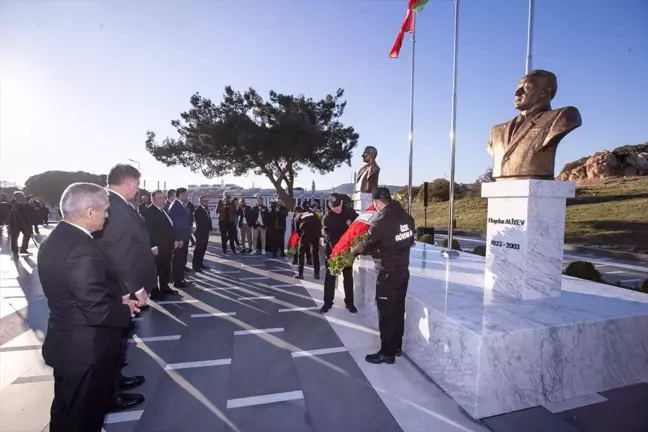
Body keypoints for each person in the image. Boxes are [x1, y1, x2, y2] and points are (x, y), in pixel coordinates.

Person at [39, 182, 140, 432]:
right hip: (86, 352)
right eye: (105, 210)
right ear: (90, 212)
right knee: (83, 419)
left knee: (66, 412)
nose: (107, 215)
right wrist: (127, 309)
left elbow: (78, 293)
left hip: (67, 345)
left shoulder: (57, 238)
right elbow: (97, 310)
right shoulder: (81, 250)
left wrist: (117, 299)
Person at [94, 164, 156, 411]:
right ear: (130, 183)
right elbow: (119, 253)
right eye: (137, 184)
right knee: (113, 341)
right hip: (120, 286)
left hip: (120, 285)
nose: (137, 189)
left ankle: (117, 380)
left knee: (120, 339)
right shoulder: (114, 207)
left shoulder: (115, 204)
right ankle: (110, 394)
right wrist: (136, 287)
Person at [352, 187, 415, 365]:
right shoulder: (407, 218)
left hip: (387, 273)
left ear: (377, 202)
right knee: (398, 309)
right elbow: (409, 241)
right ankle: (396, 347)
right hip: (403, 271)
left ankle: (386, 353)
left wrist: (353, 251)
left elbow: (366, 245)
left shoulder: (381, 221)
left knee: (386, 314)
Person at [321, 193, 359, 314]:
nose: (335, 208)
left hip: (347, 251)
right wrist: (332, 246)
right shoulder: (327, 217)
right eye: (333, 206)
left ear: (342, 203)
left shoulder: (350, 213)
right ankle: (327, 303)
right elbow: (325, 232)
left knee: (348, 277)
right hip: (332, 252)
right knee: (330, 278)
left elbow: (358, 224)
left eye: (337, 206)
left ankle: (350, 303)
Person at [143, 190, 178, 300]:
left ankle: (164, 287)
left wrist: (174, 240)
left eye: (163, 197)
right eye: (159, 198)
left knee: (165, 268)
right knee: (156, 269)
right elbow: (148, 231)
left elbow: (169, 227)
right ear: (153, 199)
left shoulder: (163, 210)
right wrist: (153, 246)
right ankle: (154, 291)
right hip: (157, 247)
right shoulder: (149, 212)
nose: (163, 200)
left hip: (167, 245)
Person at [167, 187, 192, 287]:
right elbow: (176, 225)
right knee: (178, 260)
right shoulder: (176, 206)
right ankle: (178, 281)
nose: (187, 197)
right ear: (181, 195)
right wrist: (179, 239)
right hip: (180, 239)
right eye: (186, 194)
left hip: (183, 237)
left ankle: (180, 279)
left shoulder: (180, 205)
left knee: (181, 260)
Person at [293, 203, 321, 280]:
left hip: (305, 234)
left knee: (301, 254)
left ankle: (300, 273)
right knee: (315, 254)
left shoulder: (299, 215)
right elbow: (319, 224)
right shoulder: (313, 214)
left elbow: (296, 229)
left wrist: (300, 236)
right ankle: (317, 273)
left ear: (301, 208)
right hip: (315, 234)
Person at [7, 191, 33, 257]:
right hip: (15, 222)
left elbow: (31, 210)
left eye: (21, 196)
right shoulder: (12, 204)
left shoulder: (27, 203)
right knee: (14, 237)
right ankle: (15, 251)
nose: (20, 198)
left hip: (25, 222)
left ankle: (24, 249)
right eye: (17, 196)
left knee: (27, 234)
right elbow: (8, 212)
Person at [192, 195, 213, 271]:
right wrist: (207, 228)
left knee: (203, 249)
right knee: (198, 249)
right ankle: (195, 266)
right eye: (205, 201)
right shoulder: (197, 210)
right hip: (200, 233)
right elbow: (200, 222)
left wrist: (210, 229)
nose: (207, 203)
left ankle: (200, 263)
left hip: (205, 232)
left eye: (207, 201)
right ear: (200, 201)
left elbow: (208, 219)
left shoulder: (206, 209)